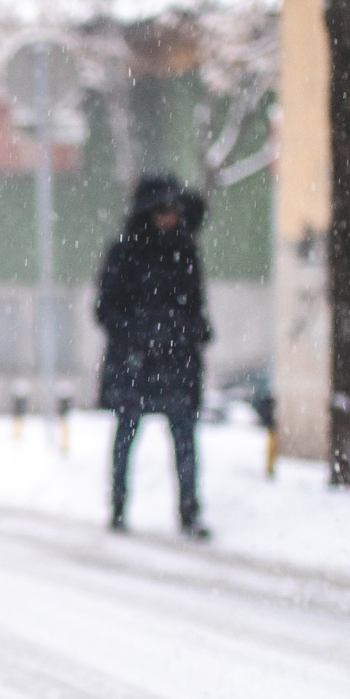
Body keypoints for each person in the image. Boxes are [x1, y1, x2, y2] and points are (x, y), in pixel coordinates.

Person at [95, 173, 212, 540]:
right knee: (127, 434)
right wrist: (141, 334)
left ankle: (189, 512)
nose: (170, 217)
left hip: (177, 360)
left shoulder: (185, 250)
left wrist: (194, 329)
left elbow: (195, 303)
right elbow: (105, 309)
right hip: (137, 363)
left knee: (184, 438)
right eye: (162, 210)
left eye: (173, 209)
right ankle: (118, 507)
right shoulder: (125, 252)